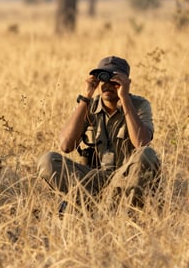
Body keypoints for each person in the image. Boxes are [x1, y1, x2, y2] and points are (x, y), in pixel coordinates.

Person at [37, 56, 161, 207]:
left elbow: (142, 142)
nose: (107, 85)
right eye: (104, 79)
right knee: (48, 161)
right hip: (95, 179)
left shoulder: (139, 105)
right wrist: (86, 96)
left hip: (127, 177)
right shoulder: (89, 105)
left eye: (114, 81)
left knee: (147, 155)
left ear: (127, 82)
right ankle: (102, 203)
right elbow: (66, 146)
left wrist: (125, 98)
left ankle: (102, 204)